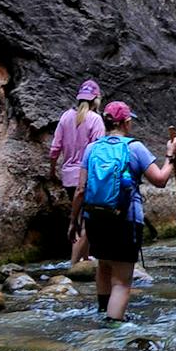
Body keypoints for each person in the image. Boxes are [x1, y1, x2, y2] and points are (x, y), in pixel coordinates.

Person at [73, 101, 176, 323]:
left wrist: (74, 220)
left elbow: (80, 190)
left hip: (95, 218)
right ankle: (112, 330)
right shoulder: (134, 147)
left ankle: (103, 313)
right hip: (126, 220)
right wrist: (170, 156)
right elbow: (160, 180)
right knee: (121, 282)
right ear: (127, 123)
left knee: (103, 265)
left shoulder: (92, 149)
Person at [49, 79, 104, 264]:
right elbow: (98, 151)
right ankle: (74, 265)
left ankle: (85, 257)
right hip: (87, 177)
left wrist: (52, 171)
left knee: (81, 218)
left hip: (68, 176)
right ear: (96, 99)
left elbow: (55, 148)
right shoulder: (96, 119)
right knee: (86, 221)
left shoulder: (65, 117)